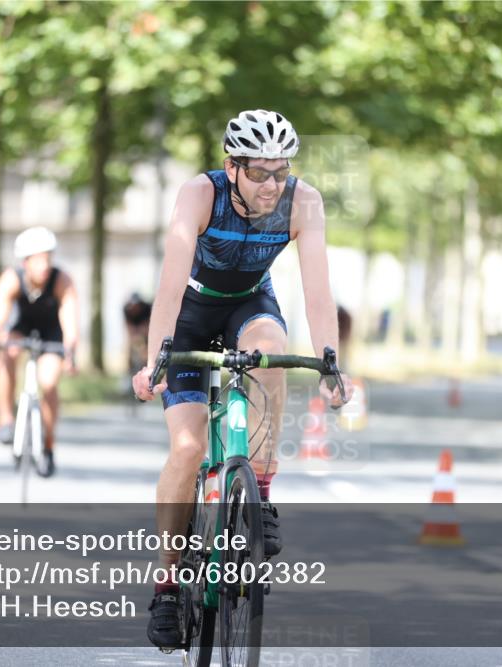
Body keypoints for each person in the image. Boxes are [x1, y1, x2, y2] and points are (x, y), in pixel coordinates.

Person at [132, 109, 354, 650]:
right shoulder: (198, 194)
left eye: (280, 172)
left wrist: (331, 362)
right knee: (187, 450)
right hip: (190, 312)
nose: (271, 185)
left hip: (250, 306)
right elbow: (168, 282)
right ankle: (166, 583)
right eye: (259, 173)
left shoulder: (303, 202)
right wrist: (153, 357)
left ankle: (261, 490)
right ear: (232, 167)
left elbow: (318, 290)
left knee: (272, 352)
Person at [0, 226, 79, 478]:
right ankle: (5, 418)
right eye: (38, 259)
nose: (44, 264)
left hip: (52, 334)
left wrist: (70, 352)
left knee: (48, 383)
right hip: (21, 328)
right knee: (8, 352)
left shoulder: (62, 281)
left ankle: (48, 445)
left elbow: (69, 318)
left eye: (48, 257)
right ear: (25, 262)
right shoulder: (11, 279)